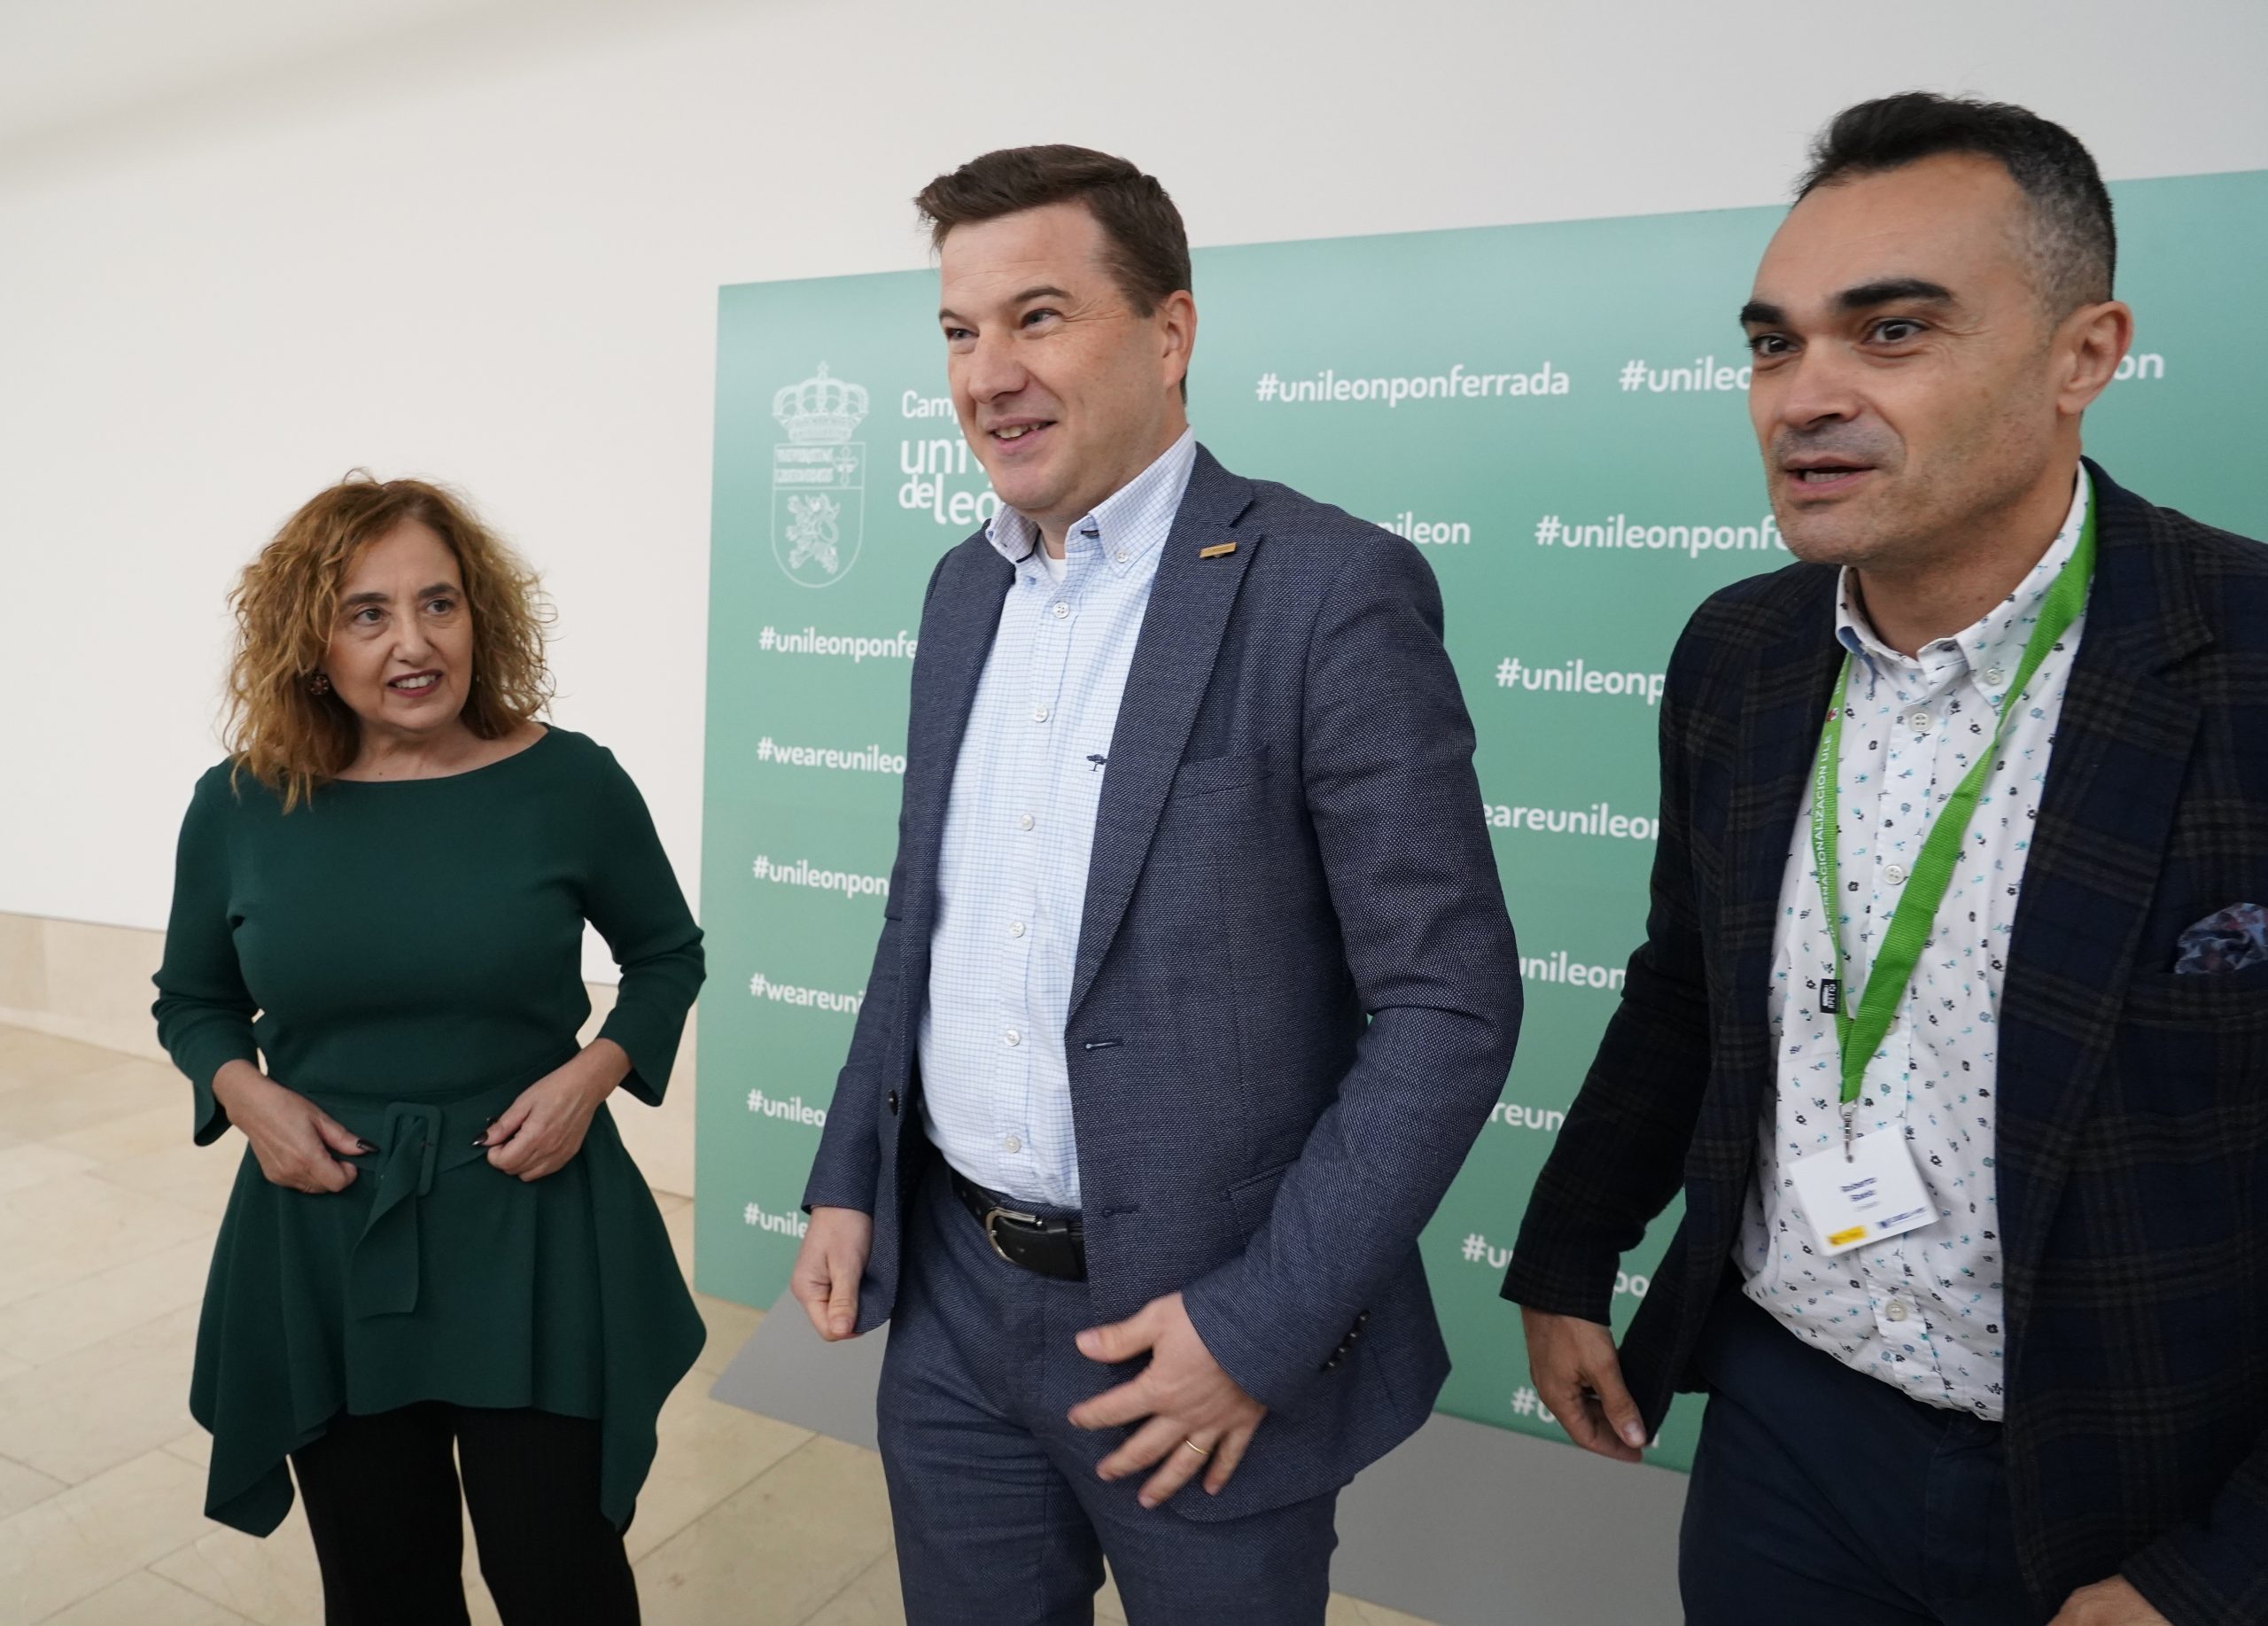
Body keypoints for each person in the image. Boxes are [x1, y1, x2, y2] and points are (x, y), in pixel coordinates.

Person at [1505, 92, 2268, 1626]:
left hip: (2135, 1480)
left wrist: (2215, 1574)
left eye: (1894, 330)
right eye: (1775, 343)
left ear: (2085, 355)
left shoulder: (2243, 662)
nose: (1804, 397)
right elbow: (1684, 991)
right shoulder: (1740, 655)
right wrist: (1571, 1244)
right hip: (1792, 1425)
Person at [788, 145, 1521, 1623]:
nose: (987, 371)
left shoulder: (1326, 591)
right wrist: (848, 1174)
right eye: (958, 329)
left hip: (1193, 1343)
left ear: (1171, 333)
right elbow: (920, 914)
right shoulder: (960, 586)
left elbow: (1449, 1005)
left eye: (1038, 316)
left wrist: (1255, 1330)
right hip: (949, 1311)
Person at [151, 474, 705, 1625]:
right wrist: (244, 1092)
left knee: (563, 1581)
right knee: (383, 1589)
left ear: (478, 616)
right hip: (327, 1237)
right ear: (310, 640)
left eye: (439, 604)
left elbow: (666, 954)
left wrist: (592, 1076)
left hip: (535, 1230)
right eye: (368, 612)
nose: (415, 642)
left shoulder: (571, 782)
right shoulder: (241, 805)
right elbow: (193, 1000)